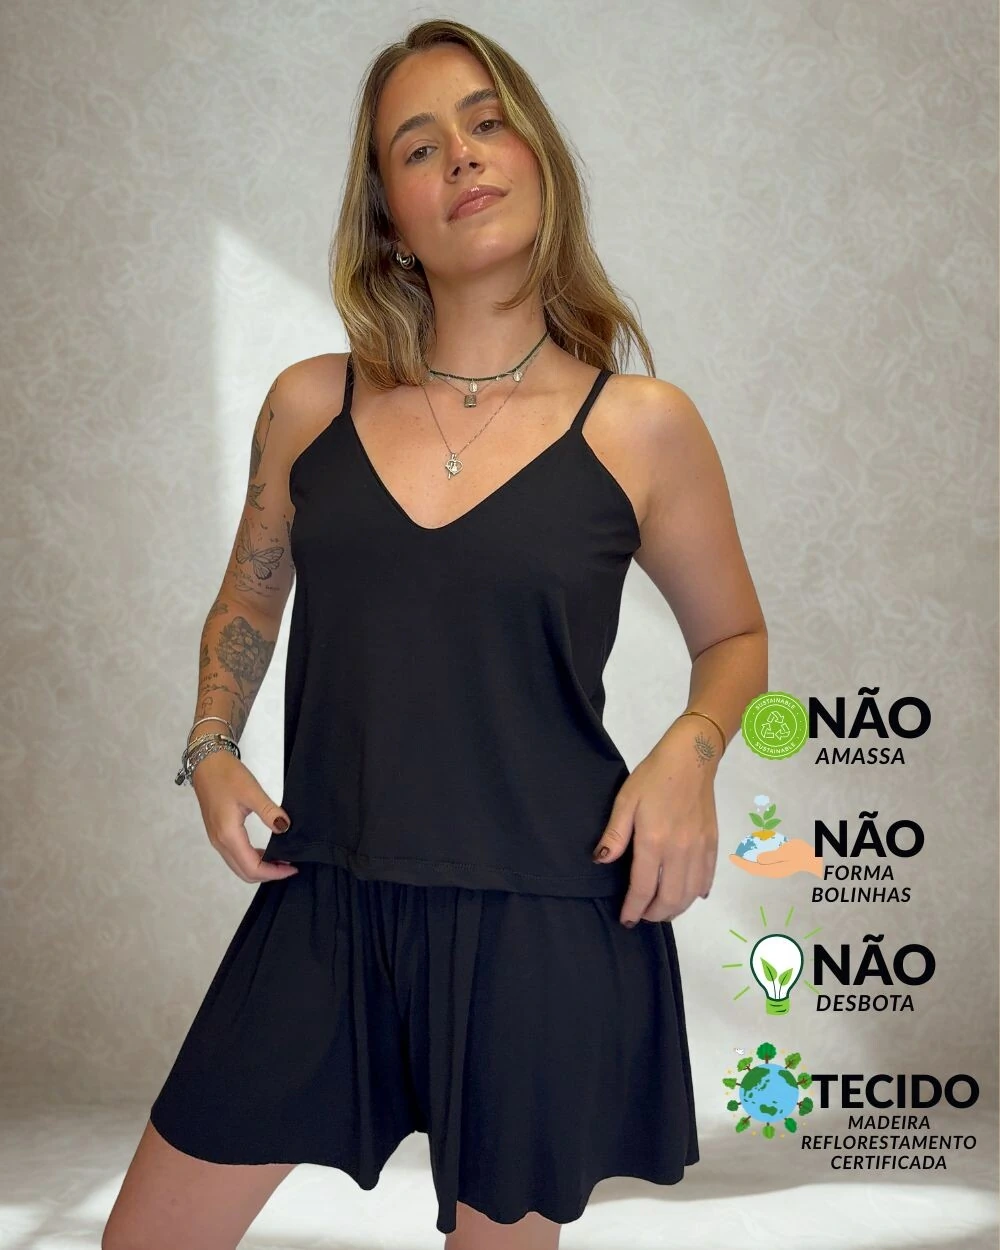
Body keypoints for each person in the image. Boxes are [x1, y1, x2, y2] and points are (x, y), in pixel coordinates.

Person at [103, 17, 768, 1250]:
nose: (460, 154)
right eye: (418, 146)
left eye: (485, 121)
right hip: (327, 892)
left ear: (536, 158)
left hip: (541, 910)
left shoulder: (642, 424)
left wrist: (689, 752)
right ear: (390, 219)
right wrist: (209, 745)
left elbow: (733, 635)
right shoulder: (312, 404)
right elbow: (249, 595)